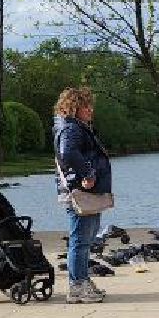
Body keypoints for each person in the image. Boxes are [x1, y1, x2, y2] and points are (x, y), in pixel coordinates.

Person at [52, 86, 113, 304]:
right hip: (80, 191)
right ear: (74, 107)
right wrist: (87, 172)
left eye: (90, 105)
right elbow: (68, 153)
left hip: (84, 191)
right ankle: (77, 285)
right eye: (86, 106)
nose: (90, 110)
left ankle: (82, 281)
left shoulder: (75, 127)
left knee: (85, 238)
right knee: (80, 239)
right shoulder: (71, 129)